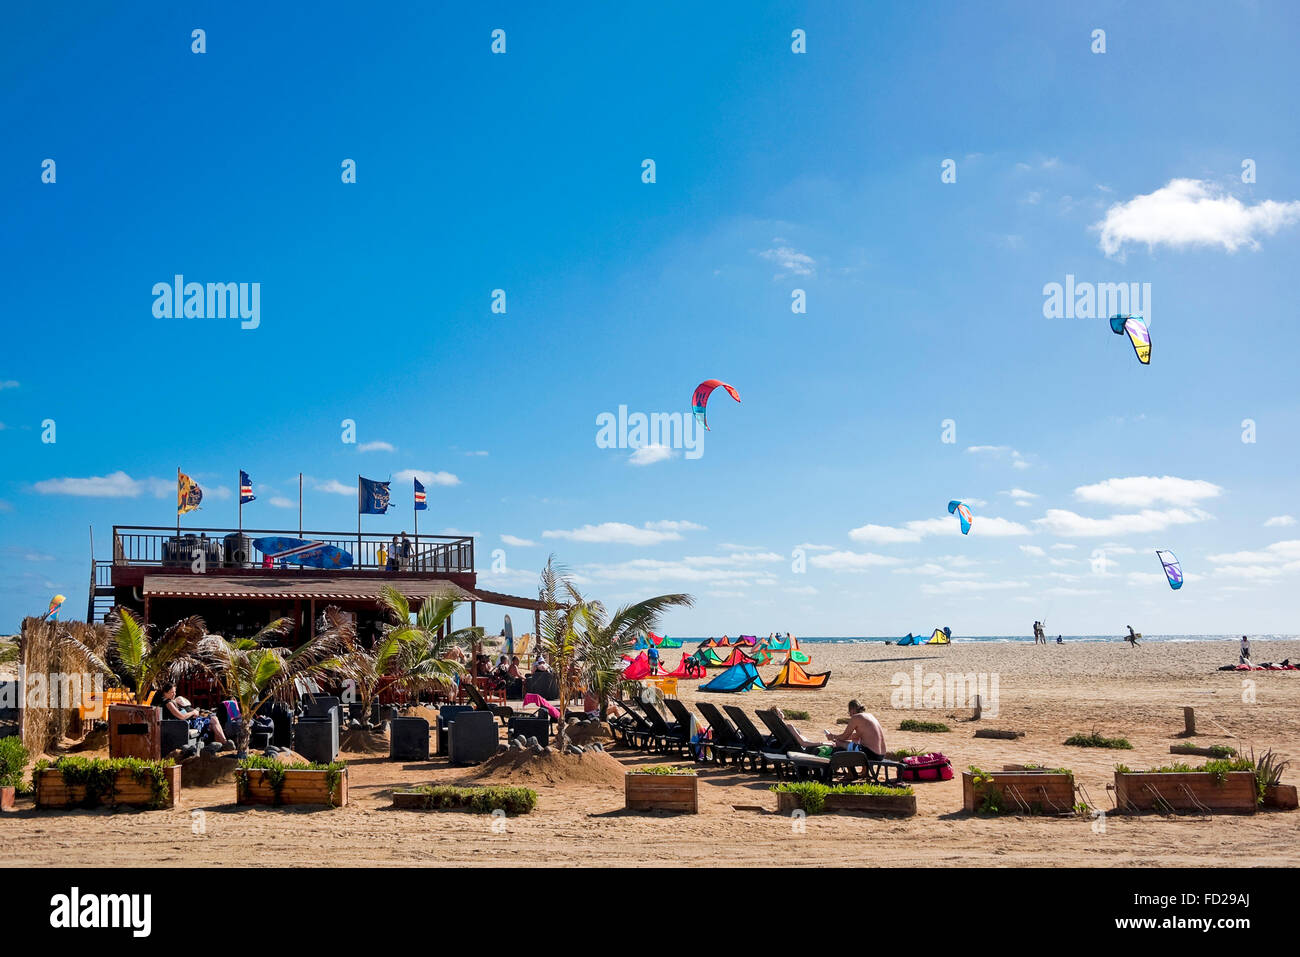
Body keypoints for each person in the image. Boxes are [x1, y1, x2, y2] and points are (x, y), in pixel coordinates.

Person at [155, 681, 231, 750]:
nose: (174, 694)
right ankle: (225, 743)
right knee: (213, 719)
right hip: (182, 725)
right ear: (165, 693)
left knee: (213, 722)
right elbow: (181, 716)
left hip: (185, 723)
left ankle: (221, 746)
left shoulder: (171, 701)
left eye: (175, 692)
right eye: (172, 692)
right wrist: (193, 712)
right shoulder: (168, 703)